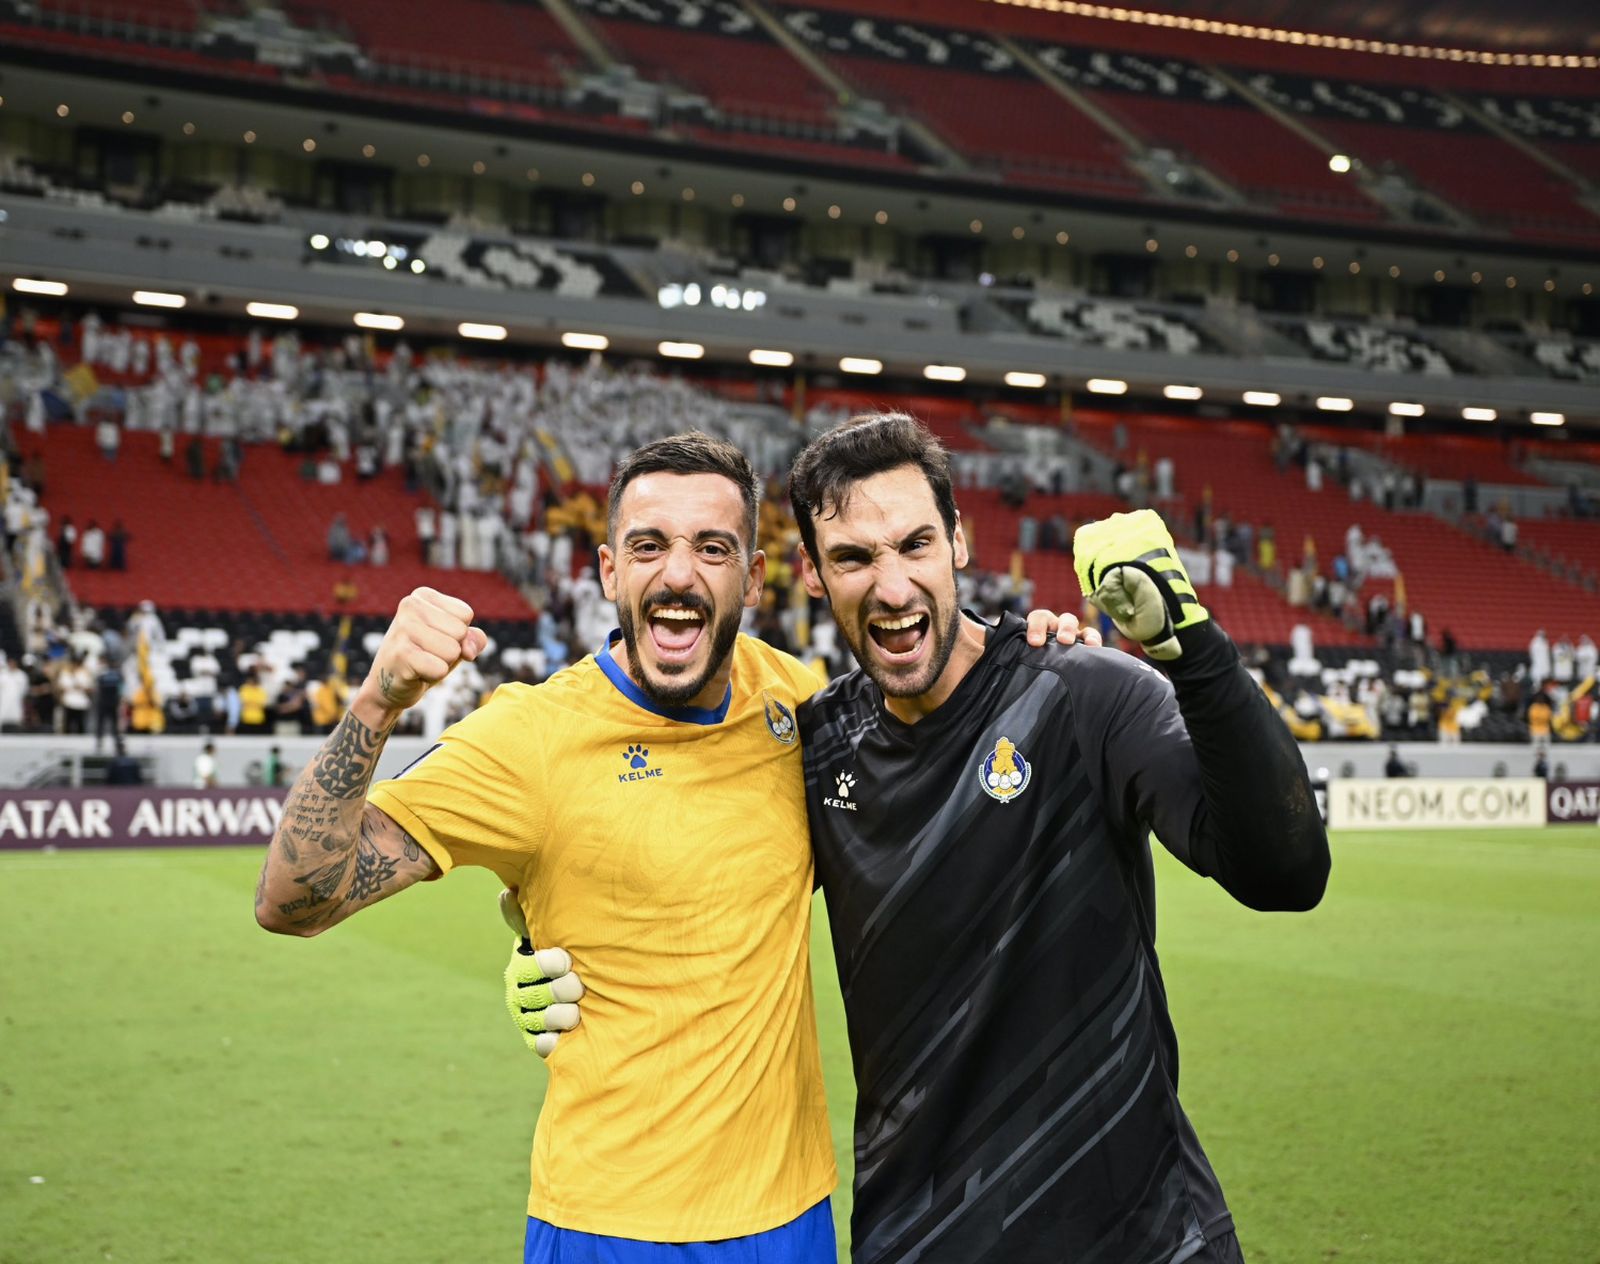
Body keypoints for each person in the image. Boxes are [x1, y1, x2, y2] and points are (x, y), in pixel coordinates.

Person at [258, 430, 1095, 1260]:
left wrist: (1039, 652)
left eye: (712, 547)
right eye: (649, 546)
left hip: (790, 1219)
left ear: (755, 578)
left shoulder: (804, 709)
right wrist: (378, 700)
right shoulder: (530, 736)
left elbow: (950, 727)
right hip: (606, 1226)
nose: (679, 573)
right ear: (608, 570)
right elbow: (295, 899)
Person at [781, 414, 1328, 1264]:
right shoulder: (817, 749)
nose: (892, 588)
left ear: (959, 541)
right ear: (812, 575)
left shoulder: (1082, 693)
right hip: (921, 1241)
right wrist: (538, 926)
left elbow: (1285, 871)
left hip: (1140, 1241)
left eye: (915, 544)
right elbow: (697, 884)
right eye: (853, 558)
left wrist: (1194, 651)